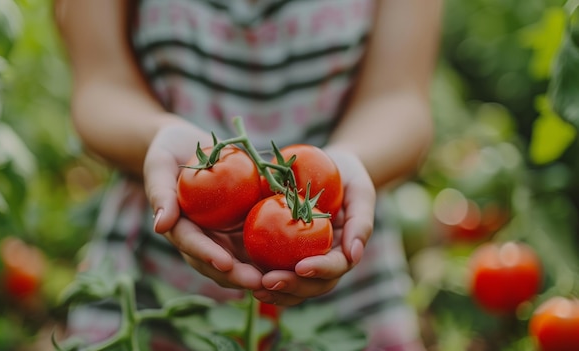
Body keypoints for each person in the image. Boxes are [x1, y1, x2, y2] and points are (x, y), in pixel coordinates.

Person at [55, 0, 442, 349]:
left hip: (348, 270)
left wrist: (347, 163)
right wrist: (157, 135)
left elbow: (399, 99)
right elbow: (99, 85)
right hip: (147, 277)